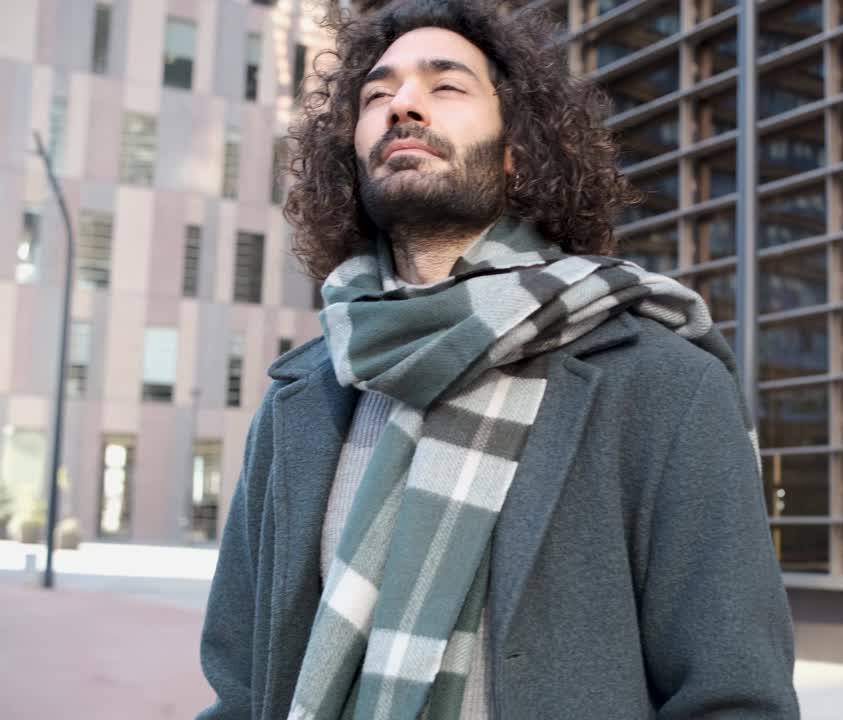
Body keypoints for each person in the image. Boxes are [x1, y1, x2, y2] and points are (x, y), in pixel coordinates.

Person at [197, 1, 798, 718]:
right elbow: (239, 687)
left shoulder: (662, 386)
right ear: (349, 157)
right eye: (377, 96)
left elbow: (734, 695)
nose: (404, 106)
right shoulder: (301, 398)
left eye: (445, 86)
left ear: (517, 151)